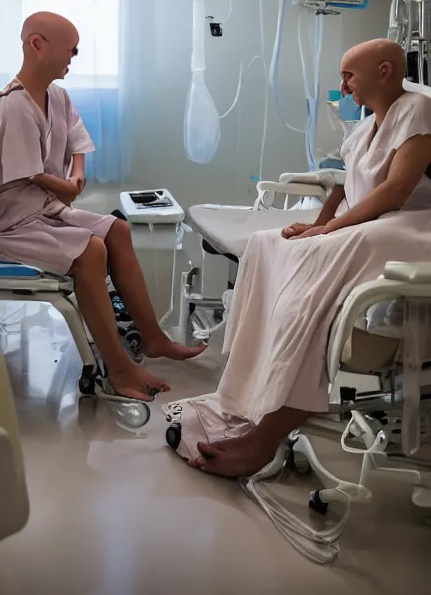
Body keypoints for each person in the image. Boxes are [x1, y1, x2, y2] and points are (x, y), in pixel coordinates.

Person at [165, 38, 431, 477]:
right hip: (367, 226)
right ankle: (247, 398)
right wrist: (317, 225)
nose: (342, 86)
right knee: (269, 244)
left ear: (385, 71)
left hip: (407, 228)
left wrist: (332, 230)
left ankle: (264, 437)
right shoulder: (365, 126)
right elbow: (344, 187)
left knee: (325, 258)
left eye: (349, 75)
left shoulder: (418, 110)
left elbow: (395, 191)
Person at [0, 11, 204, 401]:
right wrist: (67, 187)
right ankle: (118, 368)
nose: (74, 57)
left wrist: (76, 177)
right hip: (13, 222)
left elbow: (77, 142)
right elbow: (29, 175)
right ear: (37, 45)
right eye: (71, 50)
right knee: (91, 249)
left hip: (45, 208)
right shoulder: (12, 105)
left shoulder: (57, 96)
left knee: (117, 230)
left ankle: (152, 338)